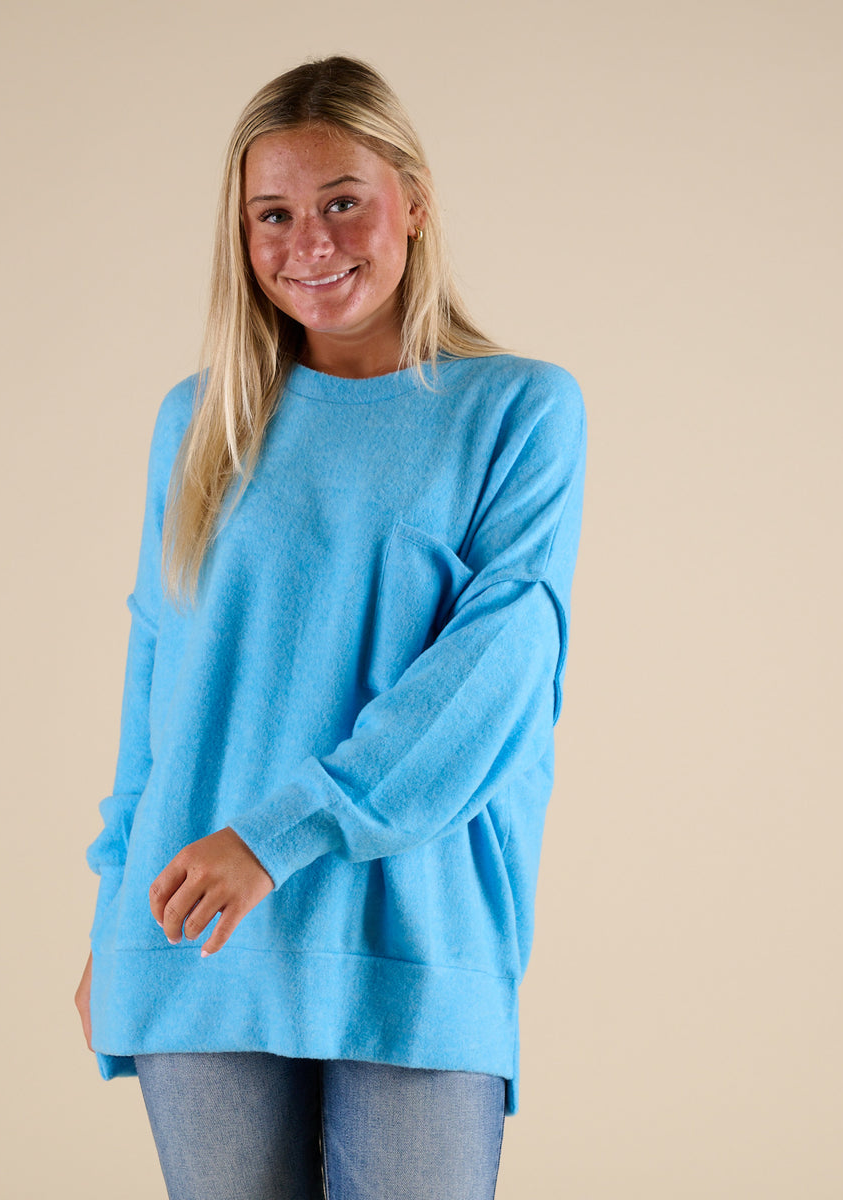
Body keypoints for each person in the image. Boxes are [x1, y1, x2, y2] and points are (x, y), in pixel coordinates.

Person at [74, 54, 586, 1200]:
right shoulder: (198, 422)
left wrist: (277, 836)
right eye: (274, 214)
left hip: (416, 936)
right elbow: (158, 681)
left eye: (343, 201)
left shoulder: (518, 410)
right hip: (196, 938)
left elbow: (496, 672)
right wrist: (115, 913)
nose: (310, 242)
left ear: (414, 201)